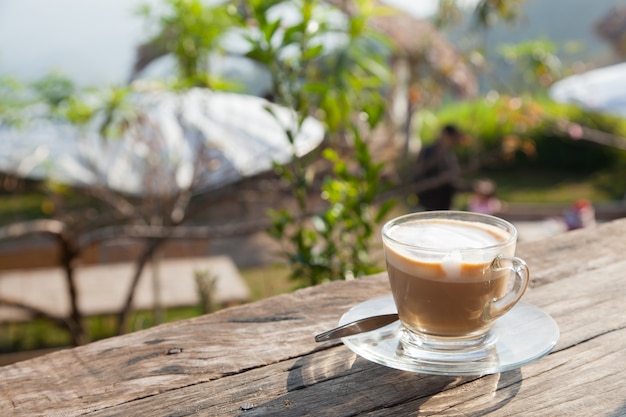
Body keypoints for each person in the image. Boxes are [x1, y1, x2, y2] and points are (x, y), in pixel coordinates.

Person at [414, 124, 466, 211]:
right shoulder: (428, 152)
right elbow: (418, 175)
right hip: (427, 204)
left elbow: (454, 181)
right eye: (451, 138)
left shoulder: (450, 155)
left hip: (444, 206)